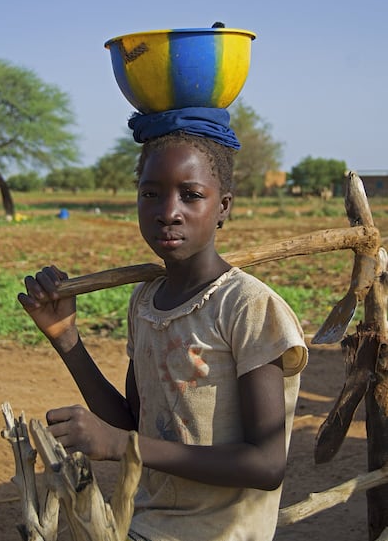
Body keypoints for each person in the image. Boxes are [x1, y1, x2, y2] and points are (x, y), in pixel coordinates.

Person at [18, 107, 307, 541]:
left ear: (223, 206)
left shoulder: (247, 306)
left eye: (190, 195)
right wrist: (67, 340)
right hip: (144, 522)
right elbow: (136, 423)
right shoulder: (147, 301)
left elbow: (266, 466)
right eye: (150, 194)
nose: (167, 211)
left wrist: (121, 446)